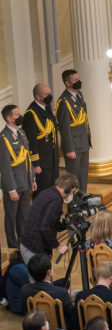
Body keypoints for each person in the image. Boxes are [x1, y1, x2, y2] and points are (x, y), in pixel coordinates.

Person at [19, 173, 76, 264]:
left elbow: (50, 222)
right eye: (72, 191)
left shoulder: (47, 192)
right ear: (67, 189)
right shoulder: (56, 202)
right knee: (43, 278)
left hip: (28, 244)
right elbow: (45, 227)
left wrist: (65, 224)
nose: (71, 194)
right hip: (34, 249)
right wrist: (58, 246)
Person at [1, 103, 36, 249]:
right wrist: (11, 189)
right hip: (14, 184)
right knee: (11, 217)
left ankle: (23, 240)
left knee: (24, 214)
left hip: (25, 181)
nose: (20, 116)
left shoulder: (21, 133)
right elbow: (5, 167)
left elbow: (28, 158)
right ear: (9, 118)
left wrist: (32, 178)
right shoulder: (3, 138)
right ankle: (12, 244)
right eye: (17, 115)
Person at [20, 253, 76, 330]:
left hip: (35, 329)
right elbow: (72, 316)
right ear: (49, 272)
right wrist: (71, 301)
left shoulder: (25, 289)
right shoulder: (61, 292)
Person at [56, 69, 91, 192]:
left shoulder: (79, 94)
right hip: (74, 146)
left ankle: (83, 200)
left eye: (78, 79)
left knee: (83, 175)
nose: (79, 82)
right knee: (74, 178)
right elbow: (64, 128)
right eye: (75, 80)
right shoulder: (63, 102)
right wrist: (70, 149)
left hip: (83, 142)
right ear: (67, 83)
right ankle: (74, 204)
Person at [23, 83, 59, 195]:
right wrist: (35, 164)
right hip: (42, 161)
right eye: (47, 94)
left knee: (52, 189)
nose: (50, 96)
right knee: (42, 192)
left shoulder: (46, 108)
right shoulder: (31, 114)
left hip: (52, 157)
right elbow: (31, 141)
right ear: (38, 96)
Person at [2, 250, 30, 314]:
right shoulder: (19, 269)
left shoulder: (17, 266)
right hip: (19, 306)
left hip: (17, 302)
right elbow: (33, 287)